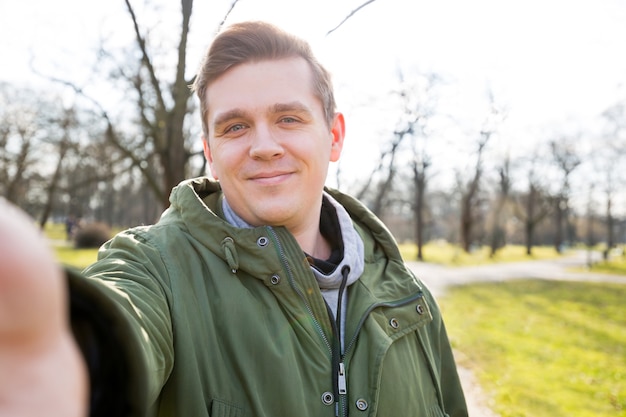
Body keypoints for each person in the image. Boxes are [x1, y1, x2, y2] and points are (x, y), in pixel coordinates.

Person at [0, 21, 468, 417]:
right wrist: (61, 360)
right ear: (210, 151)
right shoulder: (156, 270)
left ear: (334, 135)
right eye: (235, 126)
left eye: (288, 118)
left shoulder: (408, 297)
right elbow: (118, 319)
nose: (264, 145)